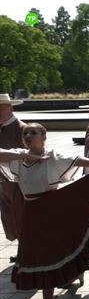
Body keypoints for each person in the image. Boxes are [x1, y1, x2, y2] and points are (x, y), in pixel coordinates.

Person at [0, 122, 89, 299]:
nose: (28, 135)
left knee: (52, 251)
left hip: (52, 209)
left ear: (43, 137)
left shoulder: (51, 156)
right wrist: (23, 155)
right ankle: (62, 284)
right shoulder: (18, 157)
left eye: (33, 132)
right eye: (26, 132)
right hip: (31, 213)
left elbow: (75, 159)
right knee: (38, 253)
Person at [0, 94, 26, 243]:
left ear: (10, 107)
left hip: (19, 182)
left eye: (1, 107)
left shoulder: (22, 129)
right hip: (3, 183)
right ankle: (21, 249)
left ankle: (26, 250)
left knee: (22, 217)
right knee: (9, 219)